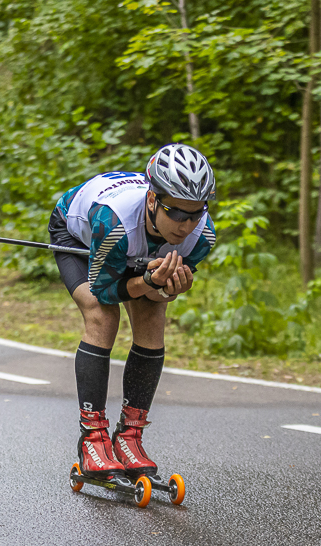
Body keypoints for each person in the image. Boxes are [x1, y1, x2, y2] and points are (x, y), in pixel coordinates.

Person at [48, 143, 217, 479]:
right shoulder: (113, 222)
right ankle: (92, 438)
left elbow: (155, 297)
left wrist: (166, 288)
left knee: (153, 320)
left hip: (133, 250)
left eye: (195, 213)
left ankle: (129, 437)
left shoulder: (202, 238)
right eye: (177, 213)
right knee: (102, 315)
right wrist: (150, 280)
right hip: (81, 238)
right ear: (153, 200)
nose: (185, 225)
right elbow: (106, 290)